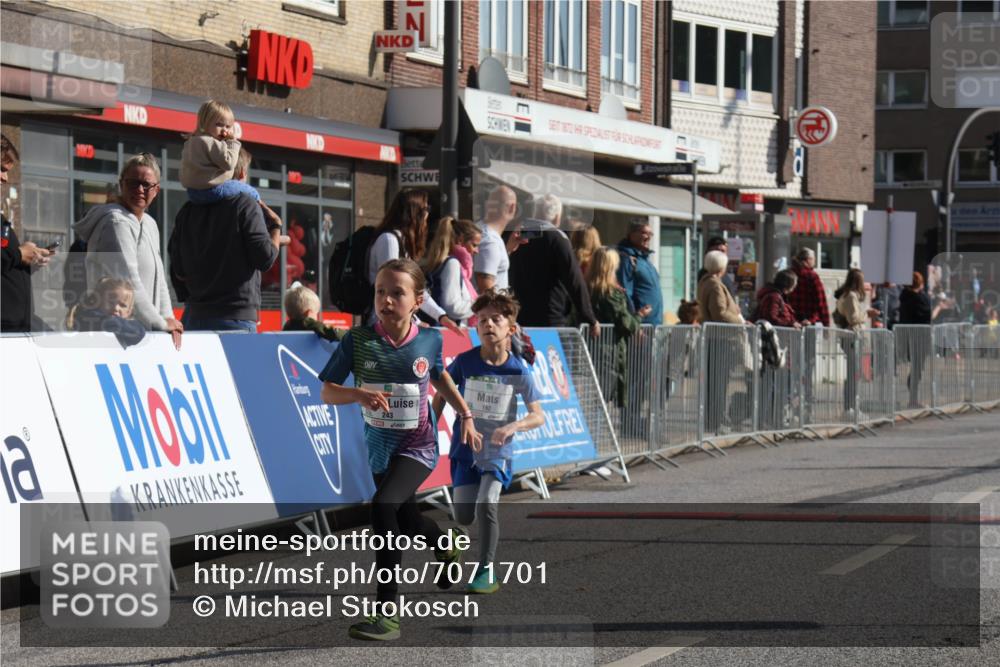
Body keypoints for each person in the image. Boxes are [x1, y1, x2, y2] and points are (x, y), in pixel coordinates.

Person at [319, 258, 482, 641]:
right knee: (406, 522)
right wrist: (359, 393)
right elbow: (327, 391)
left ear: (418, 300)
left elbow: (438, 375)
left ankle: (386, 613)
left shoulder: (429, 339)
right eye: (380, 292)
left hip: (419, 445)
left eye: (397, 293)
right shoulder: (358, 341)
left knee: (383, 506)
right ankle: (446, 542)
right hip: (379, 448)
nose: (387, 300)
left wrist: (465, 414)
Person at [431, 289, 544, 595]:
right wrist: (429, 425)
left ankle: (486, 570)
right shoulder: (465, 363)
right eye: (482, 320)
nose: (488, 325)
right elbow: (442, 392)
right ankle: (453, 546)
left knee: (487, 504)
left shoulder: (518, 370)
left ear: (511, 328)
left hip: (498, 451)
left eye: (496, 319)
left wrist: (513, 427)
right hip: (465, 450)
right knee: (463, 515)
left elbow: (539, 416)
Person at [168, 147, 287, 332]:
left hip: (194, 317)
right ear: (241, 172)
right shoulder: (245, 204)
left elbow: (178, 269)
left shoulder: (188, 210)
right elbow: (265, 258)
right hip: (235, 318)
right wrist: (276, 227)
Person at [73, 153, 182, 334]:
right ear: (121, 184)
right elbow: (129, 280)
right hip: (114, 333)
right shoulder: (115, 222)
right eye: (133, 183)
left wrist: (168, 319)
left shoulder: (149, 223)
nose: (140, 189)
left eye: (146, 185)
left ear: (156, 190)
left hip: (143, 332)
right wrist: (161, 324)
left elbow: (160, 279)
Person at [367, 189, 459, 332]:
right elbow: (392, 289)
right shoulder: (389, 241)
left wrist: (441, 316)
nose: (428, 214)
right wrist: (415, 321)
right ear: (414, 212)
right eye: (426, 208)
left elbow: (415, 289)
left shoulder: (403, 244)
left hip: (398, 325)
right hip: (383, 326)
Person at [508, 194, 599, 334]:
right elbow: (574, 279)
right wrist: (589, 317)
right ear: (557, 217)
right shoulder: (556, 238)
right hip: (549, 317)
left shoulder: (518, 234)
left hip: (518, 314)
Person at [1, 134, 55, 332]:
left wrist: (28, 260)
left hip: (18, 325)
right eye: (1, 169)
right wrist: (18, 254)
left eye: (7, 172)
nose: (5, 178)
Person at [586, 247, 643, 408]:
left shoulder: (586, 288)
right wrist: (639, 316)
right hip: (608, 350)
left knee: (595, 399)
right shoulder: (609, 292)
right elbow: (626, 323)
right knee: (602, 398)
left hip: (591, 347)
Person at [698, 250, 745, 434]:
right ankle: (715, 421)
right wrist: (739, 320)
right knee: (719, 383)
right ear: (721, 267)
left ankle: (713, 419)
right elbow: (720, 313)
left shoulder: (705, 282)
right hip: (721, 339)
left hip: (715, 338)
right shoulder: (715, 285)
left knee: (716, 382)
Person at [180, 100, 259, 204]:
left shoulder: (191, 142)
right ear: (205, 122)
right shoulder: (211, 142)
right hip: (212, 191)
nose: (224, 130)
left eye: (228, 126)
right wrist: (233, 142)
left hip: (193, 193)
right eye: (219, 125)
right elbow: (229, 163)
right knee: (251, 192)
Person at [834, 268, 879, 416]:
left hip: (851, 337)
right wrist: (867, 313)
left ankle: (851, 407)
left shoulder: (846, 295)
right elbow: (853, 318)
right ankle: (850, 408)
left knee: (853, 373)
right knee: (853, 374)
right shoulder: (851, 296)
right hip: (852, 337)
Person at [421, 217, 481, 326]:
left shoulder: (445, 262)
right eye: (474, 245)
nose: (477, 251)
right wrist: (480, 304)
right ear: (461, 240)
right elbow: (452, 307)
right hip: (450, 332)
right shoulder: (452, 264)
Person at [65, 277, 146, 347]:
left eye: (122, 305)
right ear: (98, 301)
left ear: (129, 311)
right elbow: (110, 323)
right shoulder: (89, 318)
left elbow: (138, 332)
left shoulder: (126, 325)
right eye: (111, 302)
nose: (116, 308)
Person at [474, 185, 522, 293]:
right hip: (490, 309)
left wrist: (508, 249)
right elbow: (486, 289)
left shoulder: (480, 230)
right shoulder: (490, 241)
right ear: (512, 208)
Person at [616, 221, 663, 324]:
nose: (648, 237)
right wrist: (634, 323)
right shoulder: (626, 259)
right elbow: (625, 295)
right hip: (640, 326)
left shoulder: (645, 260)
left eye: (651, 234)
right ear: (631, 234)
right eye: (644, 233)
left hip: (655, 324)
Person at [898, 271, 932, 408]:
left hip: (907, 336)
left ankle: (913, 398)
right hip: (919, 337)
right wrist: (940, 308)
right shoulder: (918, 299)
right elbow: (928, 315)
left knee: (916, 367)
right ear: (920, 283)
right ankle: (913, 399)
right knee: (917, 368)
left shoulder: (904, 296)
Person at [788, 247, 830, 327]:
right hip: (808, 321)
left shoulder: (789, 273)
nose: (814, 262)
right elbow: (821, 301)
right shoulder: (812, 276)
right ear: (808, 260)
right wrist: (826, 323)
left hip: (792, 321)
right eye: (814, 259)